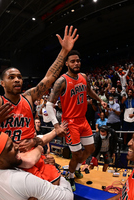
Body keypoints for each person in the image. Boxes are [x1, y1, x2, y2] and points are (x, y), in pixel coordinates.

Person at [0, 2, 77, 184]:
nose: (17, 80)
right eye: (12, 77)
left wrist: (63, 52)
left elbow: (49, 78)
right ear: (2, 83)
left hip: (33, 155)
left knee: (56, 188)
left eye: (19, 77)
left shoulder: (29, 97)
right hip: (7, 161)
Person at [46, 50, 107, 191]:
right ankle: (71, 176)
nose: (76, 63)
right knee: (77, 153)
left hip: (83, 120)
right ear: (66, 63)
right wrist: (56, 126)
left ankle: (77, 168)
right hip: (70, 122)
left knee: (90, 148)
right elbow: (49, 105)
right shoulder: (61, 81)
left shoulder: (83, 77)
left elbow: (89, 91)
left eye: (78, 60)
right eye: (72, 61)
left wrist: (99, 100)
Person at [0, 131, 74, 200]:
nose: (17, 147)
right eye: (10, 148)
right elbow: (67, 197)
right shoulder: (23, 180)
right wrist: (60, 176)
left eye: (13, 142)